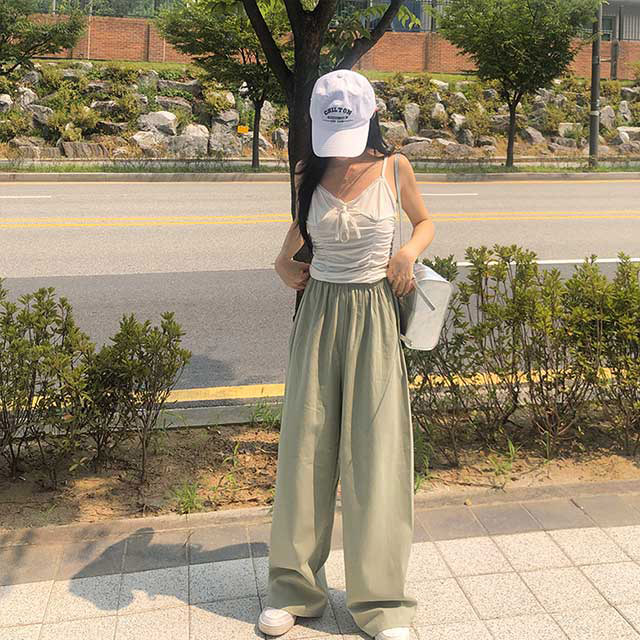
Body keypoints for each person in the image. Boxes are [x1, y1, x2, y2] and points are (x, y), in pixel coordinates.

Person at [258, 69, 435, 640]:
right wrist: (281, 262)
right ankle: (294, 589)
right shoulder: (306, 170)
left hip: (375, 316)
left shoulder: (395, 167)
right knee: (305, 451)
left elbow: (425, 222)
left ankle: (381, 602)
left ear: (371, 118)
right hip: (318, 316)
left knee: (377, 456)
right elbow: (298, 231)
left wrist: (407, 252)